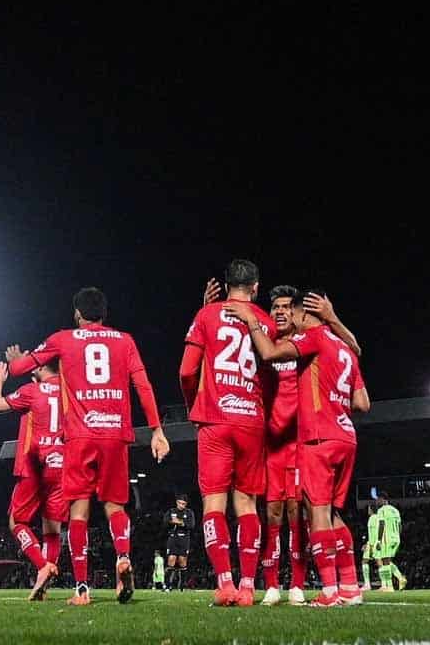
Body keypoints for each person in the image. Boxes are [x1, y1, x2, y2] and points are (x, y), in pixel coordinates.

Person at [7, 286, 169, 605]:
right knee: (115, 507)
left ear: (77, 314)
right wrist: (157, 430)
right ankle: (122, 556)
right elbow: (143, 384)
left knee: (78, 511)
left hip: (80, 437)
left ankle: (82, 591)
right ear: (105, 314)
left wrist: (17, 361)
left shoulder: (63, 339)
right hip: (115, 434)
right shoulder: (125, 340)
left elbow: (18, 369)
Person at [226, 288, 371, 608]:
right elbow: (362, 402)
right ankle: (350, 586)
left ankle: (329, 591)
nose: (288, 315)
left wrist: (250, 320)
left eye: (294, 311)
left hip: (315, 438)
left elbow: (269, 354)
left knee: (314, 514)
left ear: (306, 315)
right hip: (344, 435)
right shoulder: (343, 346)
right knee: (330, 514)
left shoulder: (311, 340)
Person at [180, 259, 275, 606]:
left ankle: (225, 583)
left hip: (215, 419)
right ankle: (249, 585)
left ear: (226, 283)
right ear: (255, 287)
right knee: (247, 503)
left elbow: (187, 372)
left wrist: (195, 406)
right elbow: (273, 372)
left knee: (214, 503)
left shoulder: (206, 316)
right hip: (251, 420)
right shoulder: (265, 320)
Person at [0, 357, 66, 600]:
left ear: (42, 367)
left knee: (17, 521)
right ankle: (45, 581)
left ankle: (42, 564)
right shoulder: (70, 390)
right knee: (52, 529)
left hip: (35, 466)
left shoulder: (31, 391)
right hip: (63, 465)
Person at [371, 496, 405, 592]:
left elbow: (382, 524)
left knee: (385, 560)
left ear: (384, 500)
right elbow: (400, 525)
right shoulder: (395, 510)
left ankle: (389, 586)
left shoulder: (382, 510)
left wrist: (378, 540)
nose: (377, 501)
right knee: (388, 561)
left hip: (387, 537)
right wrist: (398, 536)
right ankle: (400, 578)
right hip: (396, 538)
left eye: (379, 499)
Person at [163, 494, 194, 591]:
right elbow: (165, 522)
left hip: (184, 539)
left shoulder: (189, 513)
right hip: (173, 538)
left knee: (182, 561)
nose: (182, 505)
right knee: (171, 560)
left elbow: (191, 525)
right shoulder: (171, 511)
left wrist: (180, 522)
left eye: (184, 504)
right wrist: (172, 522)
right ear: (177, 502)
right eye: (180, 503)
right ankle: (167, 586)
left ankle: (182, 586)